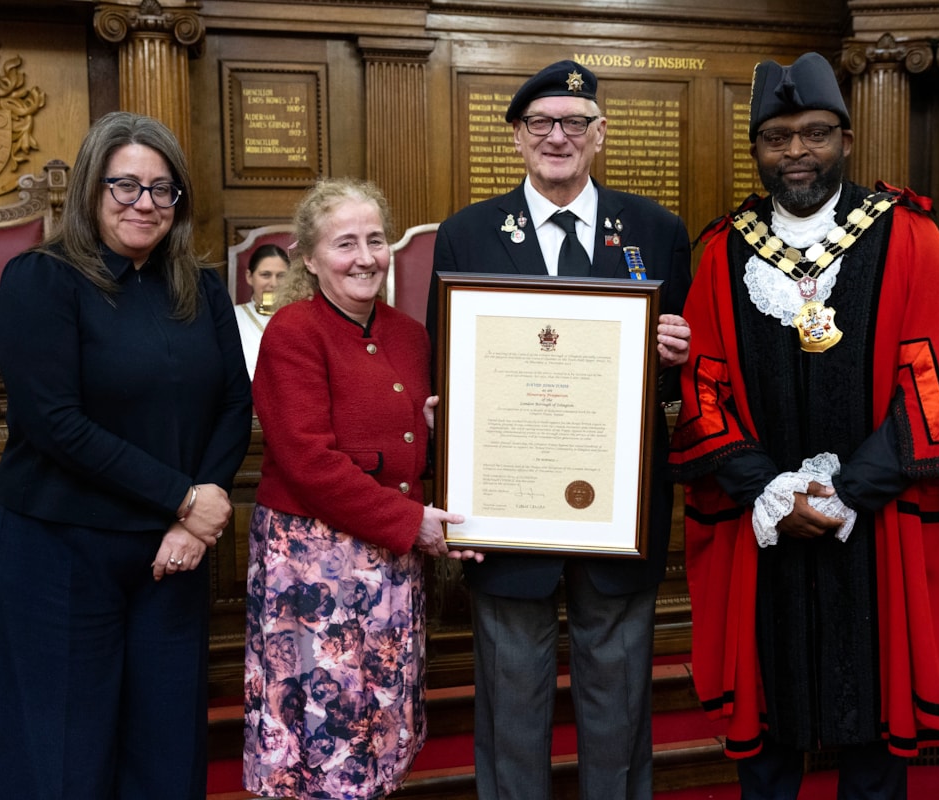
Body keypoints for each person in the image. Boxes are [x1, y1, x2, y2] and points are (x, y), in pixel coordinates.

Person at [667, 52, 939, 799]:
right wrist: (774, 493)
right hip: (770, 523)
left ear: (845, 139)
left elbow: (937, 381)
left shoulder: (907, 235)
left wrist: (848, 493)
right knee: (769, 735)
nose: (796, 153)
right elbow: (703, 388)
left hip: (874, 523)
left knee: (876, 725)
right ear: (755, 148)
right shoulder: (724, 249)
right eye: (776, 138)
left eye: (814, 134)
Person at [427, 60, 692, 800]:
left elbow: (680, 393)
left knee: (619, 702)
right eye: (540, 123)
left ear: (599, 135)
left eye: (574, 122)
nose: (557, 137)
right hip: (506, 507)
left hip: (618, 505)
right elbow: (442, 377)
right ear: (515, 137)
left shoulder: (654, 231)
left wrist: (677, 355)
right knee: (510, 704)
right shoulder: (468, 233)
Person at [0, 111, 252, 799]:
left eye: (163, 190)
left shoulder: (202, 286)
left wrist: (194, 519)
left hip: (170, 556)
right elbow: (55, 424)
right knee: (62, 755)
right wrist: (185, 499)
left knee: (166, 751)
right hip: (60, 551)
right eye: (124, 186)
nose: (145, 204)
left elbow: (233, 406)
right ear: (91, 191)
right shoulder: (40, 280)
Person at [243, 177, 479, 800]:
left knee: (379, 726)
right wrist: (411, 523)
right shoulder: (293, 331)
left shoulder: (408, 333)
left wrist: (436, 432)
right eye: (345, 243)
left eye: (376, 240)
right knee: (321, 737)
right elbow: (307, 461)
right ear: (310, 257)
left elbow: (407, 441)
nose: (365, 256)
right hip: (315, 567)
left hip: (388, 561)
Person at [236, 242, 291, 378]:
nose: (273, 284)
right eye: (265, 275)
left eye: (281, 276)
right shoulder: (234, 316)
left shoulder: (301, 317)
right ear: (249, 277)